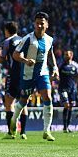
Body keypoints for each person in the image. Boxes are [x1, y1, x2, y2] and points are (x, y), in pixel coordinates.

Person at [10, 12, 58, 141]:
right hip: (28, 75)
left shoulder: (49, 39)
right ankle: (14, 121)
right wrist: (26, 61)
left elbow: (50, 54)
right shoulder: (27, 39)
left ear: (47, 25)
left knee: (47, 97)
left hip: (43, 73)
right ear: (34, 24)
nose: (39, 25)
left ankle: (46, 130)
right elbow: (15, 54)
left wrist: (55, 68)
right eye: (37, 23)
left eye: (42, 23)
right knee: (23, 101)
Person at [0, 21, 28, 139]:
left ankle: (11, 132)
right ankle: (23, 132)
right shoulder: (23, 40)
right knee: (23, 103)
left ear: (7, 30)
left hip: (13, 75)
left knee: (9, 102)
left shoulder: (7, 42)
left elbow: (3, 60)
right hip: (24, 75)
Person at [59, 50, 78, 132]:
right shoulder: (61, 65)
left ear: (71, 56)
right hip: (63, 88)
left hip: (72, 89)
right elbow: (56, 74)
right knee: (66, 104)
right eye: (65, 54)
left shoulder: (75, 66)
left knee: (71, 106)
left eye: (67, 54)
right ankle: (65, 127)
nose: (65, 56)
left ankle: (68, 126)